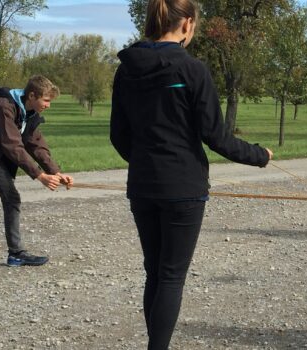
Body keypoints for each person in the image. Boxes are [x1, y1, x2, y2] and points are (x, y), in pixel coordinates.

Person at [109, 0, 272, 348]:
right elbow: (217, 137)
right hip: (182, 188)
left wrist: (145, 162)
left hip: (143, 186)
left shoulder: (125, 70)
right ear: (187, 25)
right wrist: (261, 156)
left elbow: (118, 136)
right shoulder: (191, 69)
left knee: (155, 272)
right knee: (169, 277)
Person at [0, 75, 73, 284]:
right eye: (46, 100)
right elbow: (12, 145)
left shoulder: (28, 112)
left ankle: (16, 254)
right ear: (32, 95)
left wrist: (56, 172)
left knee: (11, 198)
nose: (48, 105)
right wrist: (39, 175)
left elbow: (36, 144)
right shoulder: (3, 106)